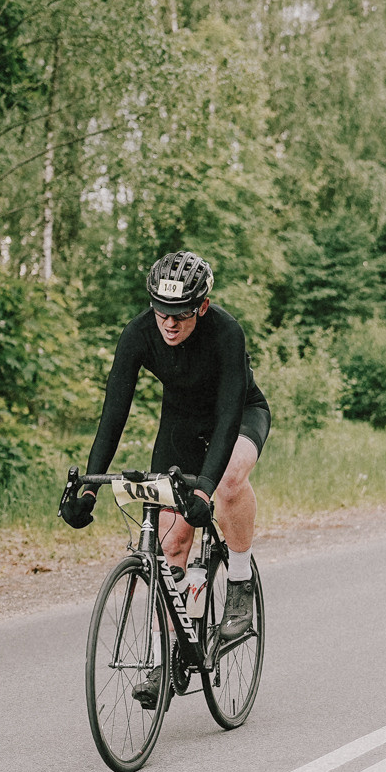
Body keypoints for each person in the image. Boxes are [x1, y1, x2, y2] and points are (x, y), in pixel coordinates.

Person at [62, 251, 270, 644]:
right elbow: (113, 414)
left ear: (202, 306)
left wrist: (204, 488)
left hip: (240, 414)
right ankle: (163, 658)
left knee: (227, 482)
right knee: (171, 541)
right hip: (182, 422)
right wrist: (88, 486)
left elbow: (227, 417)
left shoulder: (227, 332)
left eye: (181, 314)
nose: (169, 323)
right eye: (161, 312)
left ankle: (240, 579)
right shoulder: (138, 333)